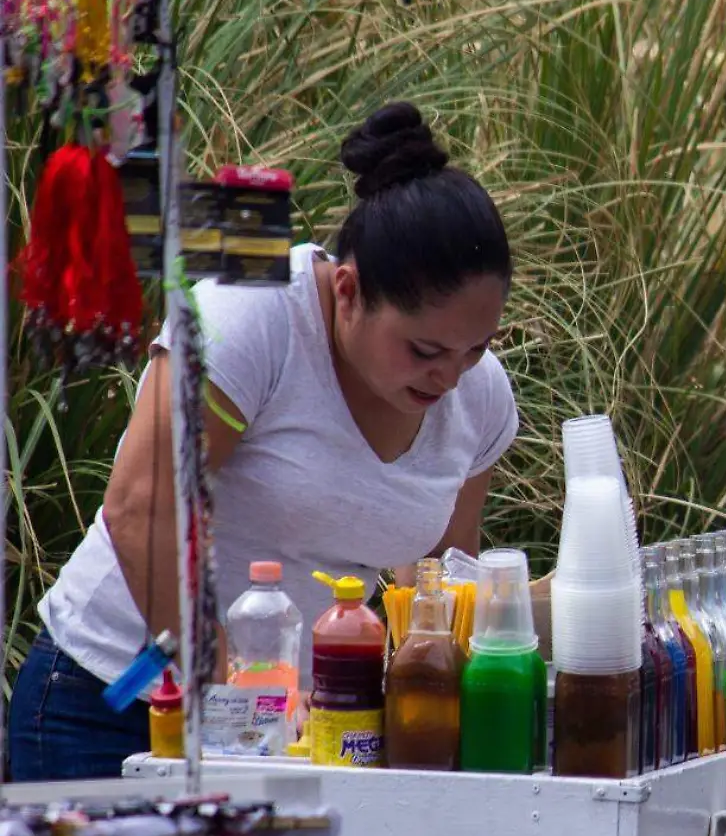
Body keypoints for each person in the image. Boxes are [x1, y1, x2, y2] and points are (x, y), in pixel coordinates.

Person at [8, 100, 519, 783]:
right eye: (425, 350)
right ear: (348, 291)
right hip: (114, 695)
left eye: (475, 348)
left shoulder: (479, 395)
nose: (450, 377)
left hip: (291, 729)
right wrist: (234, 699)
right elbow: (143, 508)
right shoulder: (252, 311)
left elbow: (437, 583)